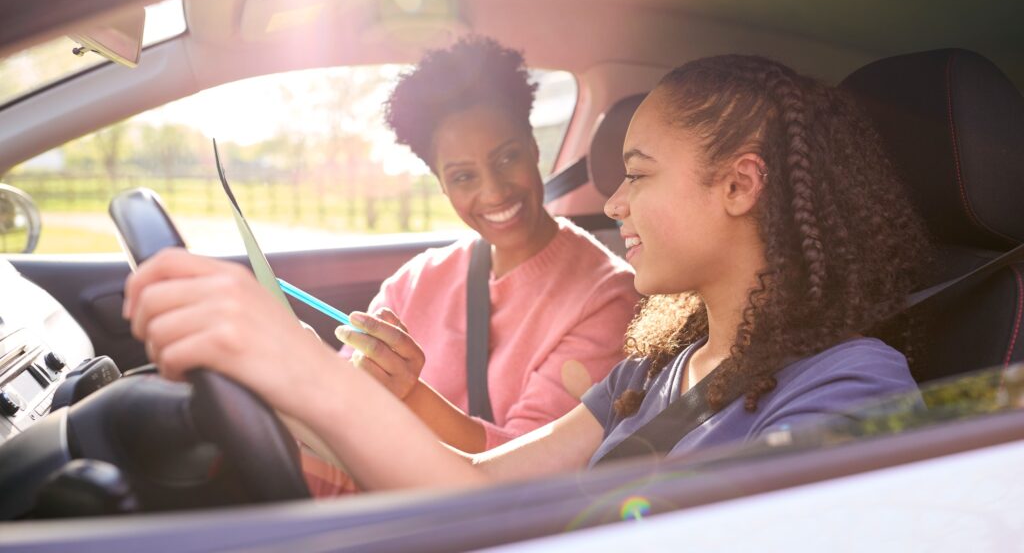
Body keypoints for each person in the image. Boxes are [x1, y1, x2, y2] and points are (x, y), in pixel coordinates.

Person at [124, 54, 929, 491]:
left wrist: (300, 369)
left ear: (740, 185)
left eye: (639, 174)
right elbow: (481, 487)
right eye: (460, 174)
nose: (612, 202)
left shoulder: (852, 382)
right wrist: (305, 377)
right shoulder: (649, 373)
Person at [305, 37, 640, 493]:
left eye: (507, 158)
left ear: (533, 148)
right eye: (463, 176)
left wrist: (407, 393)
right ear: (442, 186)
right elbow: (342, 410)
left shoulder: (607, 297)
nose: (495, 191)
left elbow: (526, 466)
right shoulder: (417, 279)